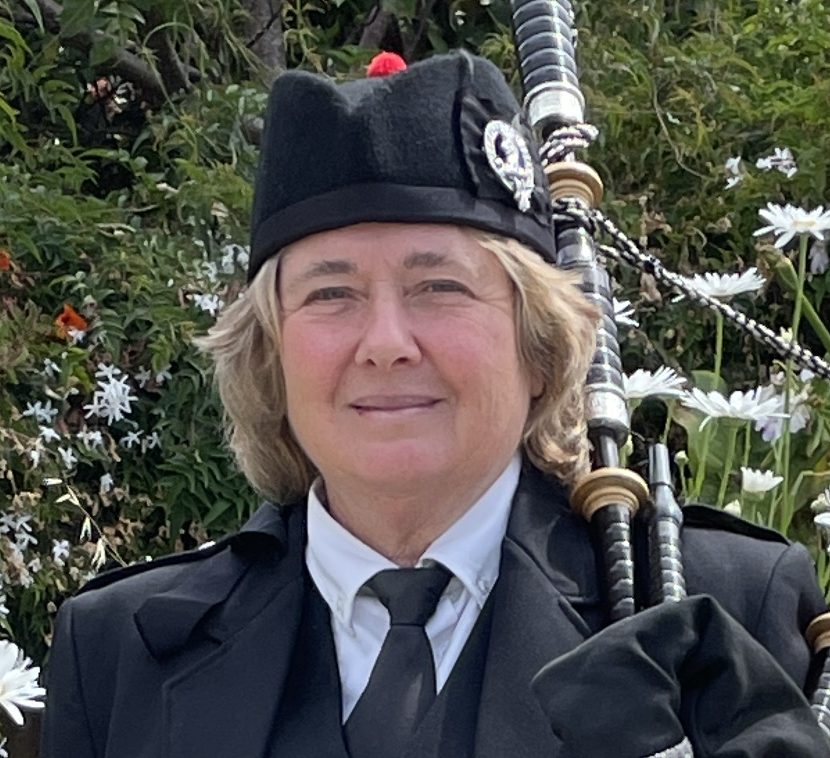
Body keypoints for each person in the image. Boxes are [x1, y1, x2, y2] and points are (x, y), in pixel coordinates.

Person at [42, 50, 830, 758]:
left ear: (539, 345)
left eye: (439, 287)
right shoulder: (122, 653)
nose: (385, 342)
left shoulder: (724, 605)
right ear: (270, 354)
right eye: (331, 293)